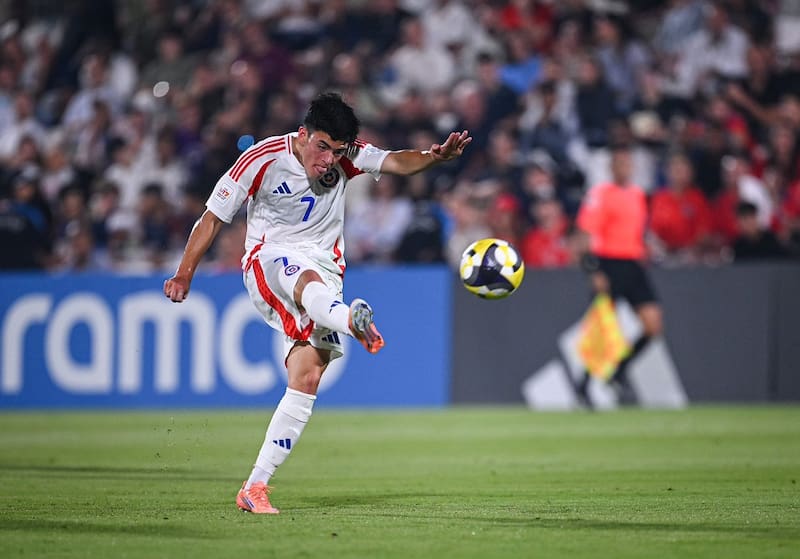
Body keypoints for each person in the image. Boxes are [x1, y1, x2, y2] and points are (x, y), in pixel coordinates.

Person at [163, 92, 471, 514]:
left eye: (337, 151)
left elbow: (396, 161)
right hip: (269, 259)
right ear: (304, 134)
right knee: (306, 282)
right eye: (322, 147)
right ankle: (352, 319)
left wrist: (436, 158)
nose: (328, 160)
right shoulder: (261, 158)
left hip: (326, 270)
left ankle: (255, 487)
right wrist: (185, 272)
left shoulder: (347, 157)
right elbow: (214, 217)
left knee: (307, 376)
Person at [574, 144, 663, 406]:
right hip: (608, 264)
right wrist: (594, 269)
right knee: (602, 331)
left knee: (653, 326)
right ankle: (584, 385)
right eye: (620, 163)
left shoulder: (637, 195)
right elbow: (583, 235)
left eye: (628, 163)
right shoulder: (600, 195)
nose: (625, 168)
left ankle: (619, 371)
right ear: (611, 167)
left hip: (633, 265)